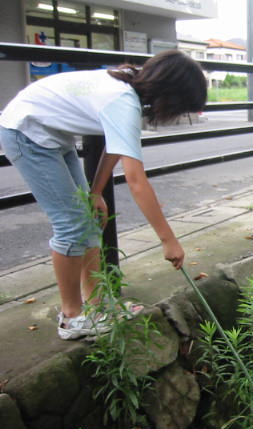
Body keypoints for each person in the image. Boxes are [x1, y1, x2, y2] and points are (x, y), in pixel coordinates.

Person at [0, 50, 207, 340]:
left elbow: (115, 146)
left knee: (90, 216)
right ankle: (71, 317)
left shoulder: (129, 87)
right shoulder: (123, 101)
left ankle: (97, 306)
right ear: (170, 94)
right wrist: (168, 240)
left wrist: (95, 191)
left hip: (52, 134)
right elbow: (136, 181)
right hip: (25, 132)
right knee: (71, 225)